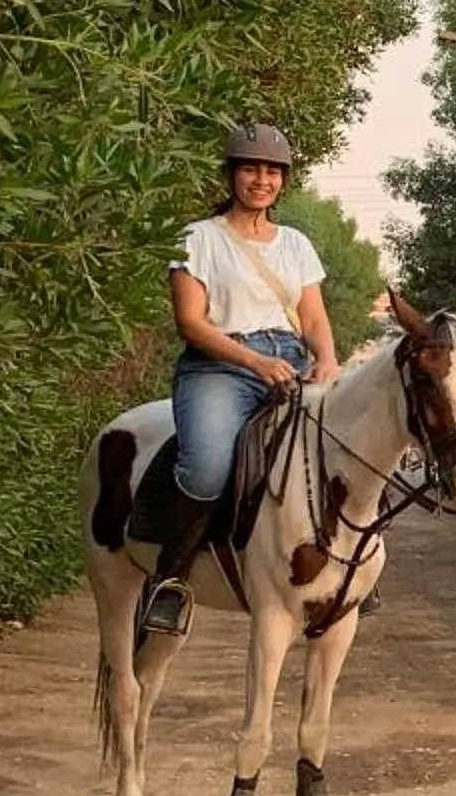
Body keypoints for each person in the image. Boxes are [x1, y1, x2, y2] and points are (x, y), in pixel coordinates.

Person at [138, 123, 342, 640]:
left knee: (341, 448)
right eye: (251, 168)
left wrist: (328, 360)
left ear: (283, 181)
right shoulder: (198, 238)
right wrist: (254, 363)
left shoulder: (296, 244)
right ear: (231, 175)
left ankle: (351, 573)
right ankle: (171, 578)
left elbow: (313, 318)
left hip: (291, 361)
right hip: (219, 367)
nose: (261, 179)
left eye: (272, 171)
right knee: (207, 466)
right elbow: (192, 322)